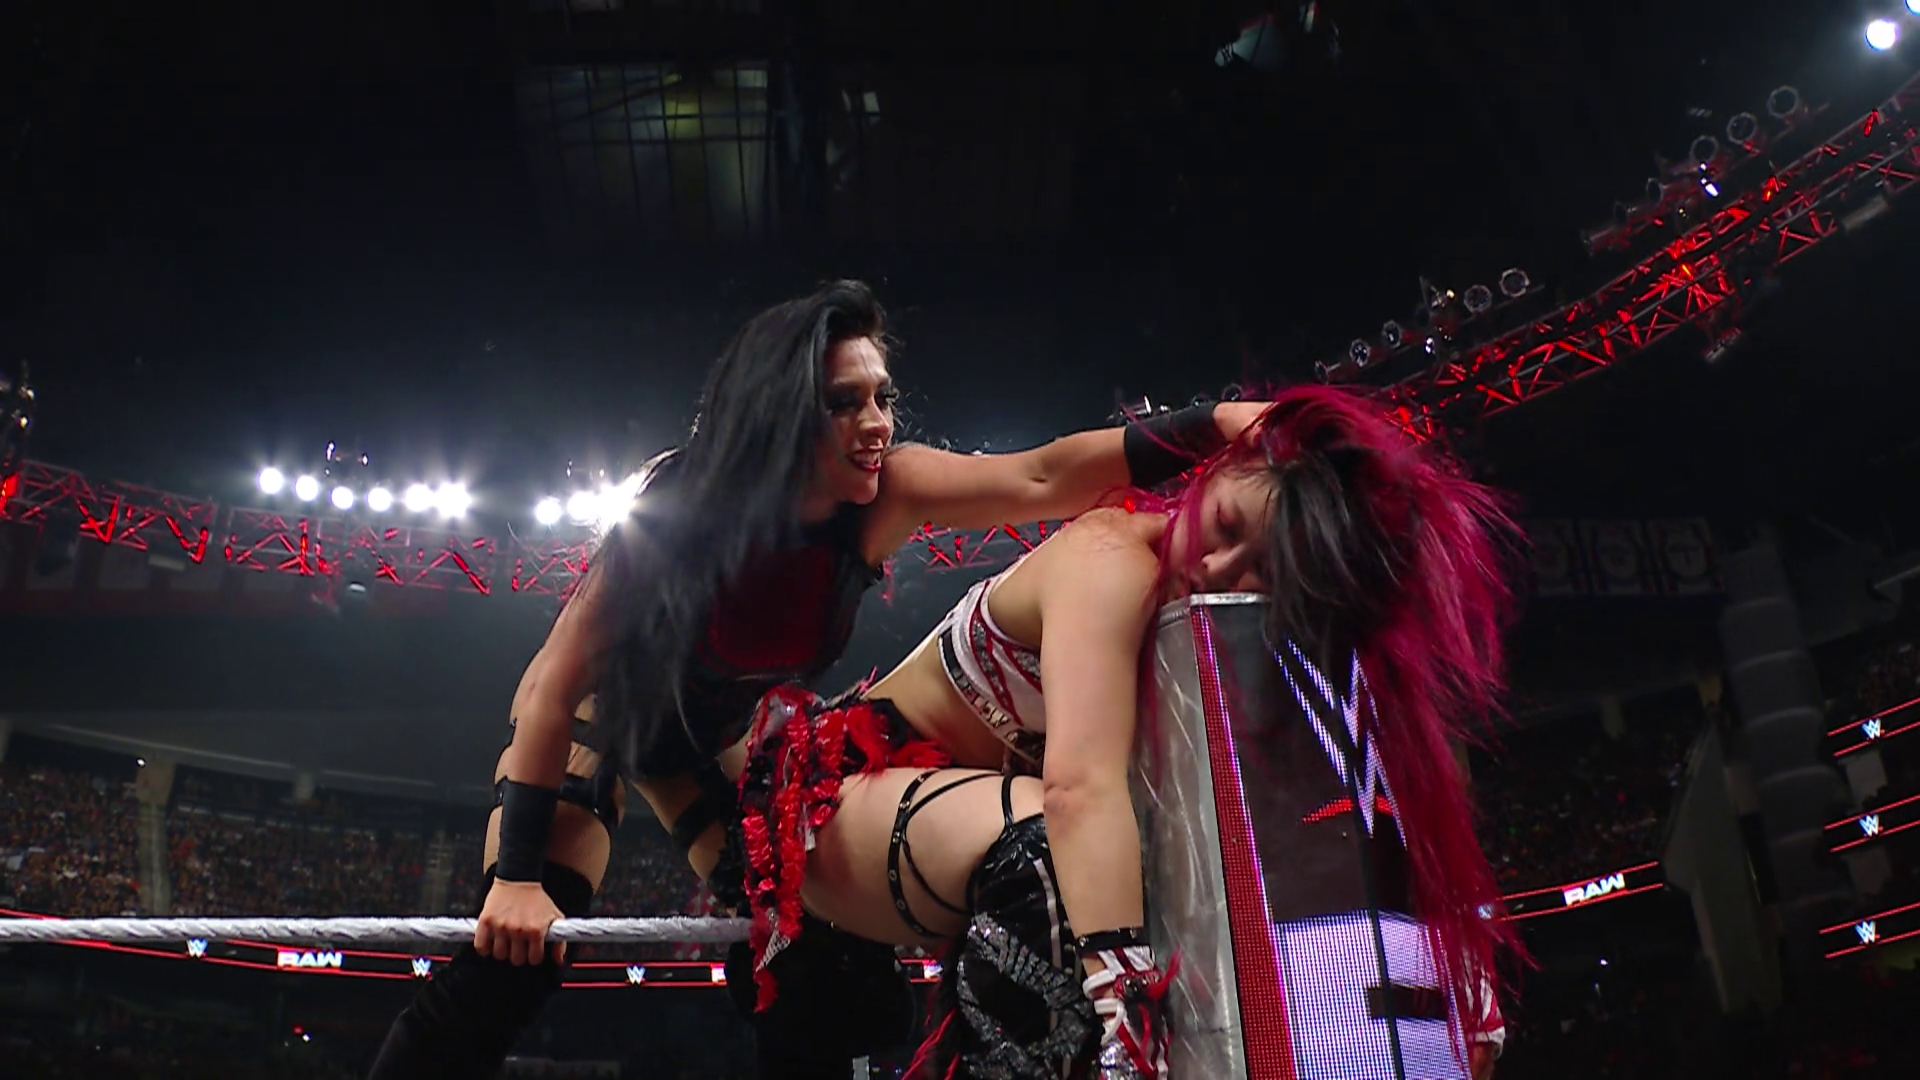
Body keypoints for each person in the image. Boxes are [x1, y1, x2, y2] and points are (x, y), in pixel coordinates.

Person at [367, 279, 1266, 1079]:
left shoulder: (883, 496)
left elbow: (1042, 474)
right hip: (603, 721)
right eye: (845, 402)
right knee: (511, 965)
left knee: (822, 975)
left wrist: (1216, 424)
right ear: (781, 412)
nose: (877, 424)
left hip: (714, 746)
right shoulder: (684, 515)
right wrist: (515, 879)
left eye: (882, 396)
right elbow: (549, 686)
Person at [729, 385, 1523, 1079]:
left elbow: (1383, 786)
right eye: (1225, 525)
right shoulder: (1110, 559)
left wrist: (1464, 976)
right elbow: (1080, 792)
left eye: (1262, 569)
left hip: (977, 829)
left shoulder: (1264, 634)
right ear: (1215, 474)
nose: (1216, 567)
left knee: (1136, 873)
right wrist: (1128, 1009)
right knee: (1060, 859)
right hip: (834, 802)